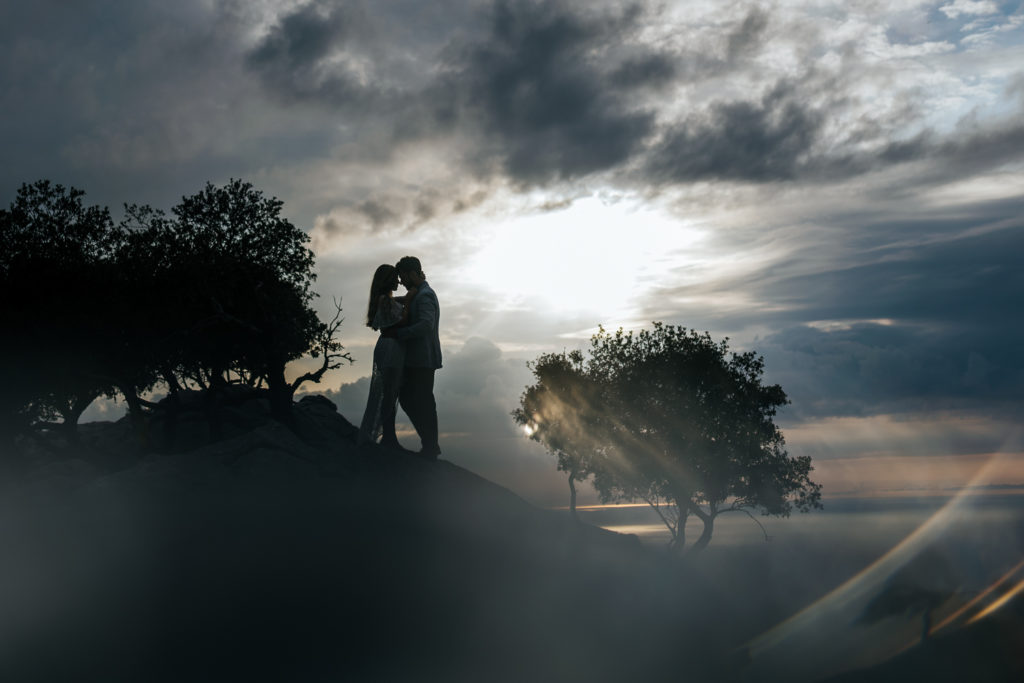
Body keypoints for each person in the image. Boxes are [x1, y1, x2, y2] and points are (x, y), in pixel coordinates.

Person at [384, 256, 442, 460]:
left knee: (421, 401)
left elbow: (426, 324)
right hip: (419, 359)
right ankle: (430, 445)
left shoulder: (425, 295)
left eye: (402, 276)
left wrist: (400, 334)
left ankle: (430, 446)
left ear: (411, 274)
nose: (400, 281)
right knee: (414, 400)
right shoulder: (419, 293)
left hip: (423, 358)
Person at [357, 264, 411, 448]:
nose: (398, 281)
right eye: (395, 277)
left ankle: (389, 435)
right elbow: (401, 321)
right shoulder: (385, 301)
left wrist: (406, 297)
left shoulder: (385, 300)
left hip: (388, 347)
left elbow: (396, 304)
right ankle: (388, 436)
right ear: (388, 279)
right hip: (390, 348)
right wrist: (410, 302)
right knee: (389, 393)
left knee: (389, 392)